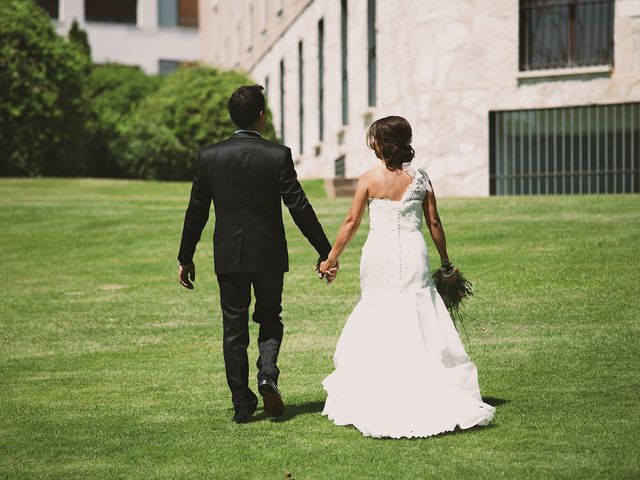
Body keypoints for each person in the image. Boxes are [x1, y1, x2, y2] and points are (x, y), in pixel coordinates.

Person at [318, 116, 495, 438]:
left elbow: (350, 223)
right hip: (414, 253)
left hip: (379, 255)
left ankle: (380, 387)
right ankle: (424, 381)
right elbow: (435, 223)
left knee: (381, 310)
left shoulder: (369, 179)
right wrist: (445, 262)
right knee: (417, 311)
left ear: (380, 144)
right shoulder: (422, 178)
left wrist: (331, 258)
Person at [177, 85, 336, 423]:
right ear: (262, 116)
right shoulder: (277, 154)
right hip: (268, 254)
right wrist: (325, 250)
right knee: (269, 318)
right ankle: (267, 374)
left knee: (233, 330)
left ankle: (242, 404)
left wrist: (185, 256)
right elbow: (299, 206)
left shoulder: (209, 156)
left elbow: (197, 211)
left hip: (229, 255)